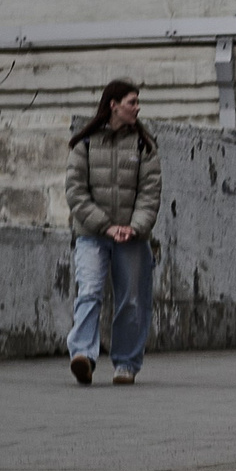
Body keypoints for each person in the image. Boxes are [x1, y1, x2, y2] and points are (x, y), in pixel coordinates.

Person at [65, 79, 162, 386]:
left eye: (137, 102)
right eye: (132, 101)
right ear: (114, 105)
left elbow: (150, 193)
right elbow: (76, 192)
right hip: (92, 234)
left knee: (132, 300)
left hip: (132, 237)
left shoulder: (144, 145)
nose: (137, 107)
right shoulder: (86, 144)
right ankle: (82, 355)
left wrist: (134, 228)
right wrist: (105, 225)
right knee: (90, 292)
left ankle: (126, 364)